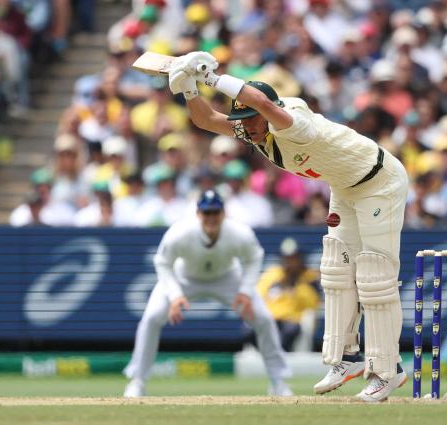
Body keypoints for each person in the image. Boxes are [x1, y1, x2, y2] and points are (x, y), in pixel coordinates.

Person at [167, 51, 409, 402]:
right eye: (243, 121)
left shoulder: (293, 124)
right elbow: (206, 120)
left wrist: (212, 78)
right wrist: (188, 88)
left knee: (375, 276)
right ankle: (349, 358)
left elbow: (261, 101)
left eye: (252, 119)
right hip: (343, 187)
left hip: (379, 182)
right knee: (337, 271)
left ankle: (387, 370)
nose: (247, 127)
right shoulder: (254, 129)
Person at [123, 190, 292, 397]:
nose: (211, 218)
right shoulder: (180, 232)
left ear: (223, 213)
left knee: (264, 318)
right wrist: (175, 295)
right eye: (206, 213)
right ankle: (137, 381)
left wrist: (245, 292)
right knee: (151, 318)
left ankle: (278, 381)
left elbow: (254, 258)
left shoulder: (240, 233)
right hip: (185, 278)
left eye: (215, 212)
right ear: (198, 214)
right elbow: (163, 263)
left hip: (227, 277)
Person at [256, 237, 321, 351]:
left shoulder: (308, 277)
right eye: (287, 258)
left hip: (294, 319)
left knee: (290, 330)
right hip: (271, 318)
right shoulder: (273, 274)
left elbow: (313, 304)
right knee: (250, 330)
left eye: (293, 258)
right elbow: (259, 296)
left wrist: (297, 286)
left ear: (300, 258)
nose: (290, 262)